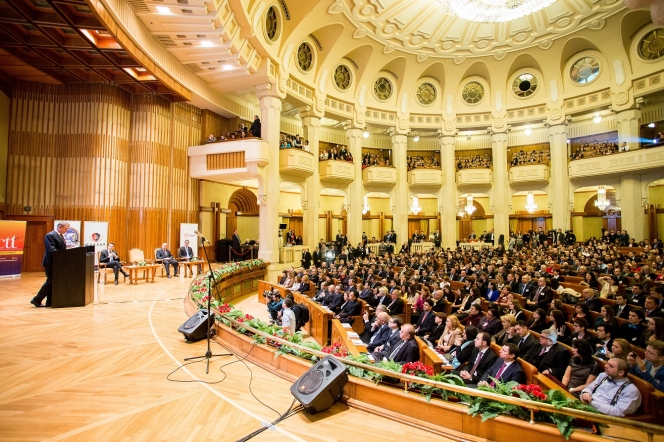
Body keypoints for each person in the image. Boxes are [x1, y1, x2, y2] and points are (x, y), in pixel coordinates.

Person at [31, 221, 69, 307]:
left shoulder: (60, 236)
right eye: (66, 228)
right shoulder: (50, 235)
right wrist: (63, 255)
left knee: (53, 282)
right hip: (50, 262)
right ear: (60, 227)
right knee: (50, 281)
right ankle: (36, 299)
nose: (66, 230)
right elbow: (52, 249)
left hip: (57, 262)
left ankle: (50, 301)